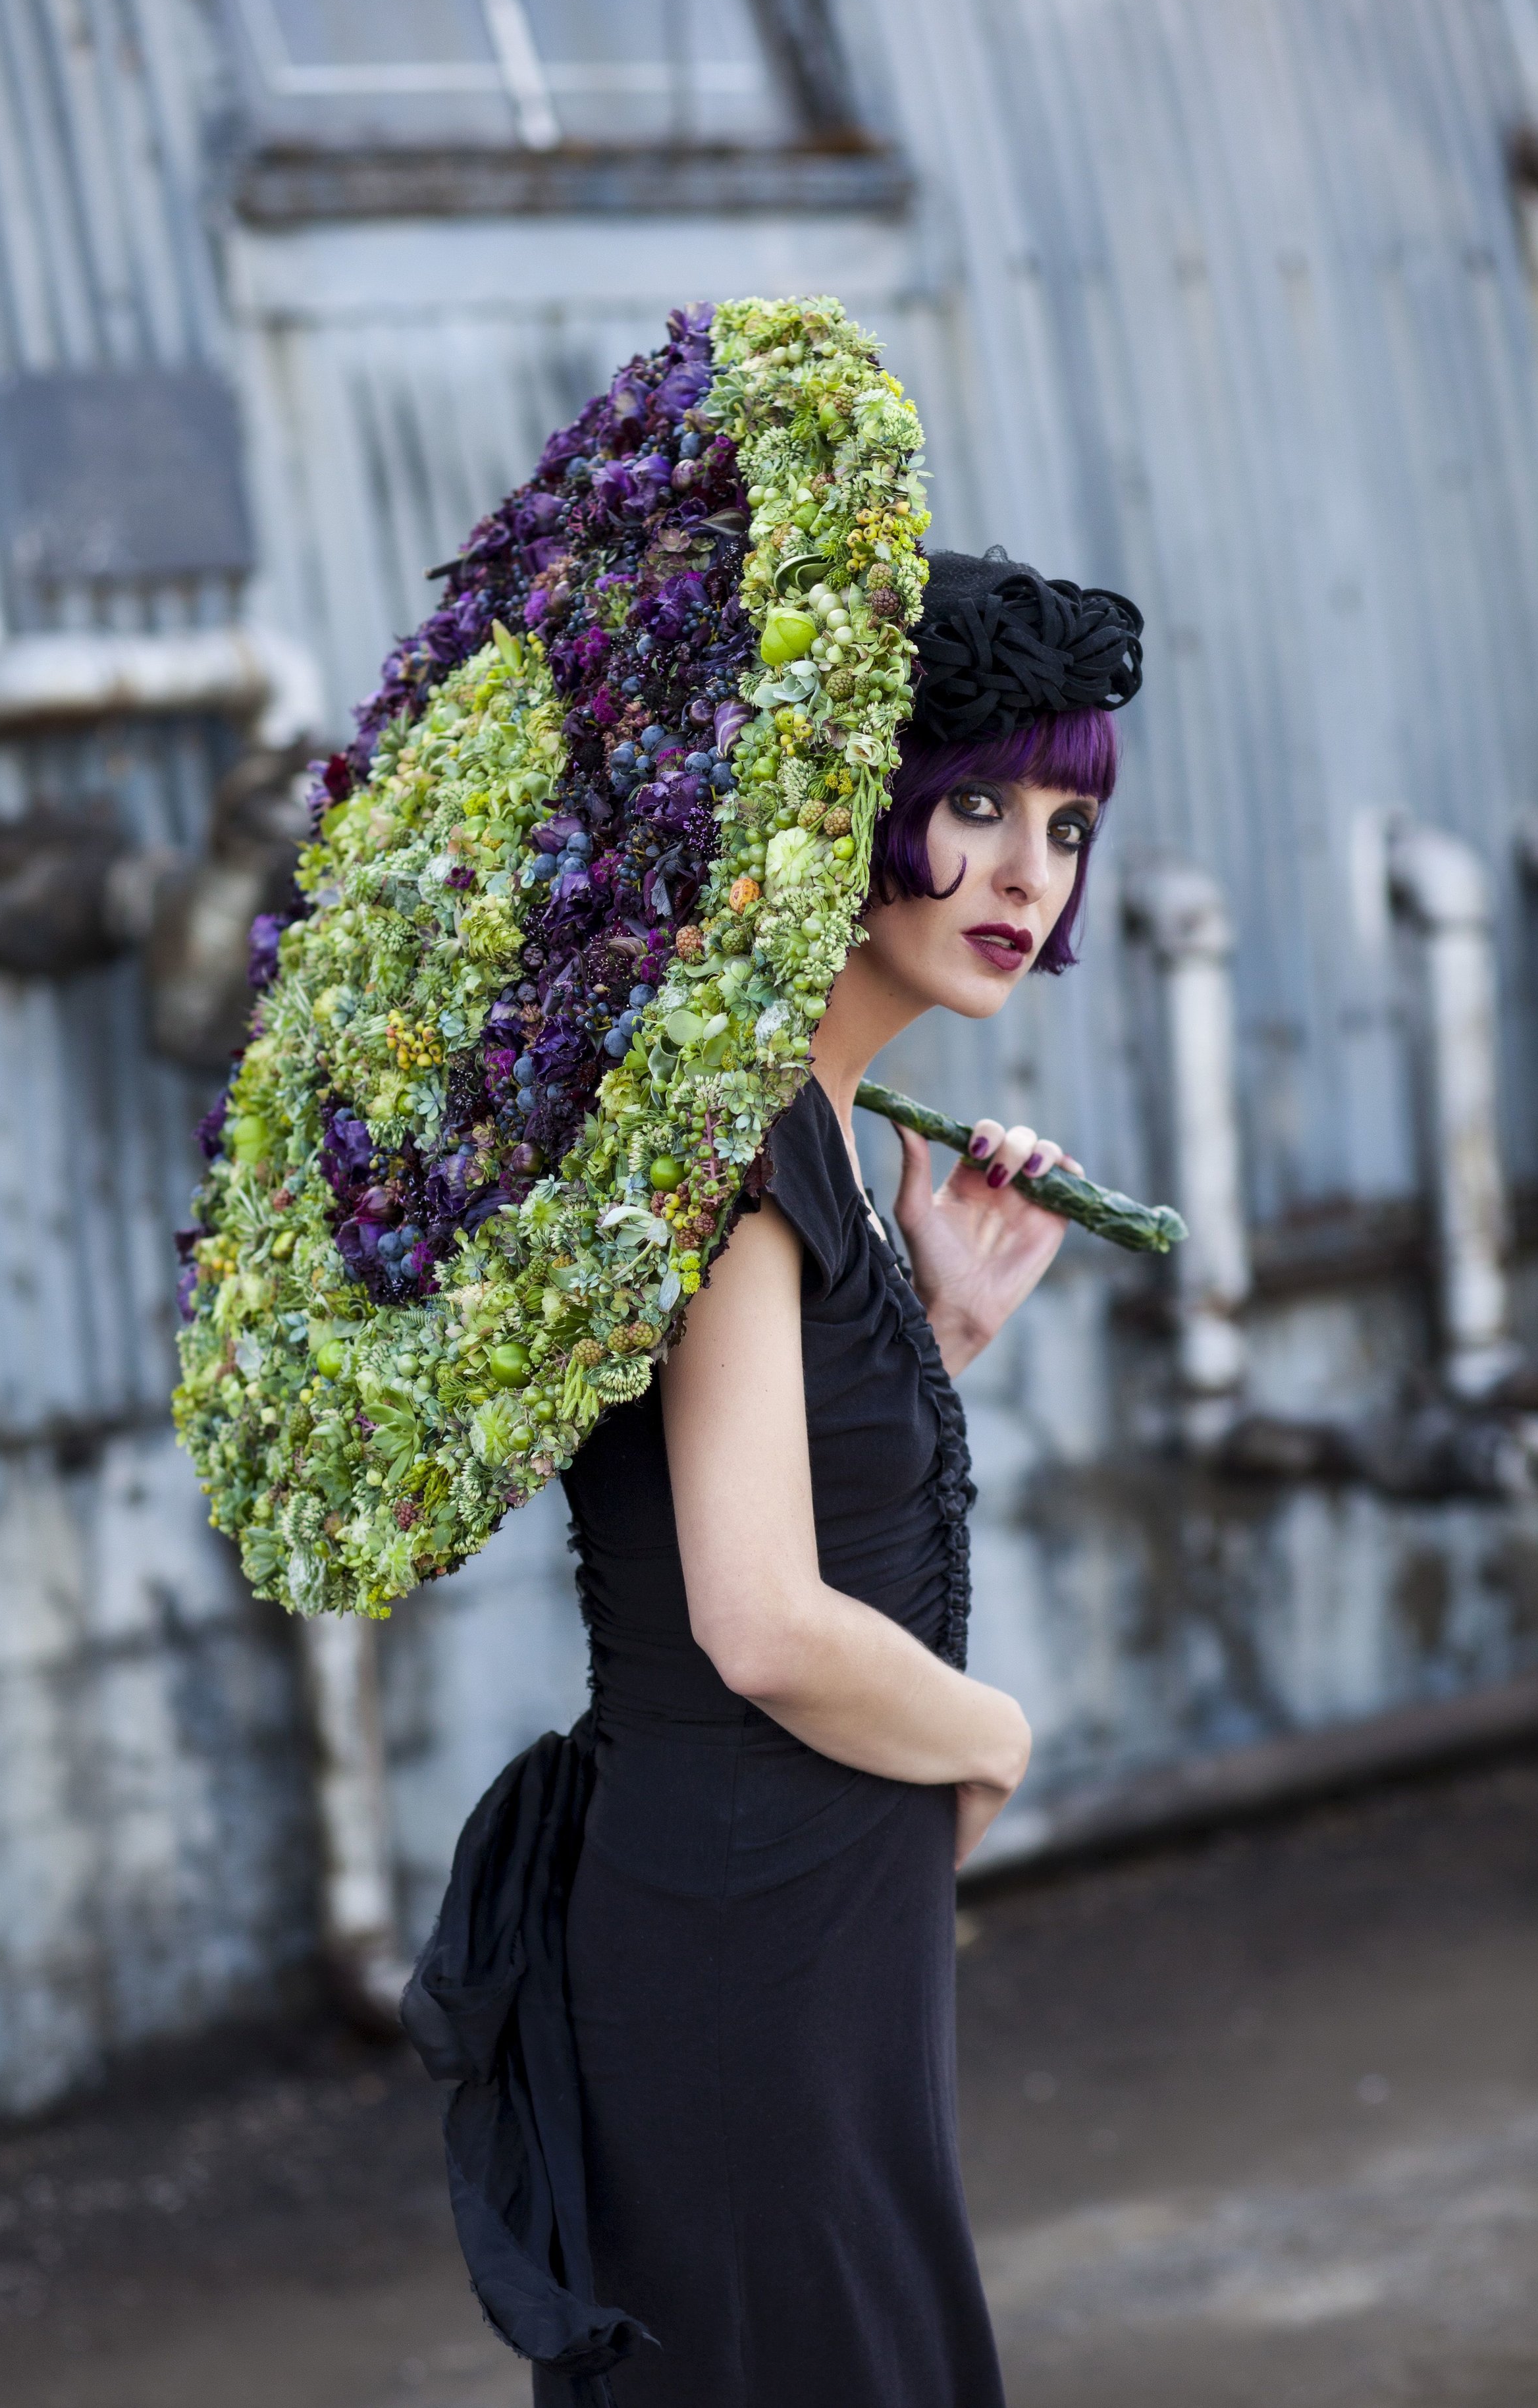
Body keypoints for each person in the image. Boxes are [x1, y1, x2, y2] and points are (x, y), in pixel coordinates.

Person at [553, 548, 1145, 2405]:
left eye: (1062, 823)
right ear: (845, 806)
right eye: (968, 804)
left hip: (797, 1906)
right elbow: (757, 1621)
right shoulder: (735, 1145)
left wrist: (938, 1327)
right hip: (746, 1921)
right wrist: (996, 1737)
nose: (1020, 873)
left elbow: (771, 1499)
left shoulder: (794, 1129)